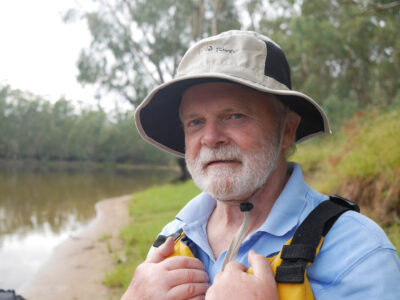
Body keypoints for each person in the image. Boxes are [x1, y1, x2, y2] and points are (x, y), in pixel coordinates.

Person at [122, 30, 400, 299]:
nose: (210, 138)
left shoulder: (358, 251)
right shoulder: (170, 239)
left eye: (234, 116)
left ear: (287, 129)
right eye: (195, 122)